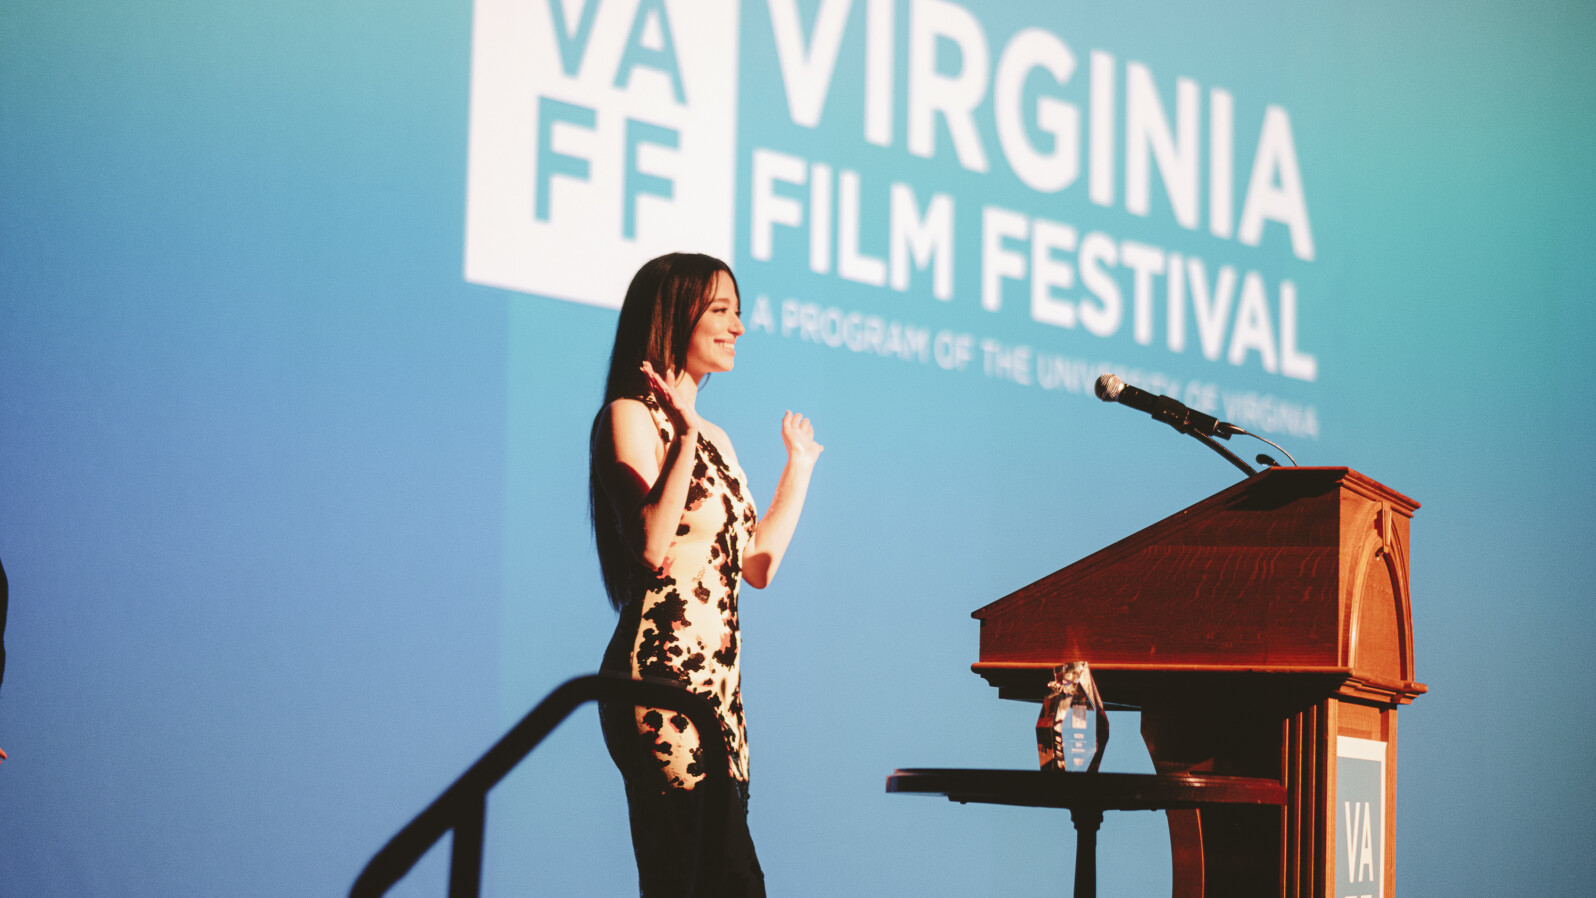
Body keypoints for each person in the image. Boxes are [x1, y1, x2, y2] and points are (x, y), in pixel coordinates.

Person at [590, 253, 822, 897]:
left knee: (701, 879)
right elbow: (651, 547)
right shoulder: (630, 416)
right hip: (660, 685)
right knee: (716, 877)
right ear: (673, 317)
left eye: (737, 312)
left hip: (720, 695)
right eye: (721, 311)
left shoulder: (716, 434)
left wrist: (798, 469)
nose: (738, 327)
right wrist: (684, 434)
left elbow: (756, 565)